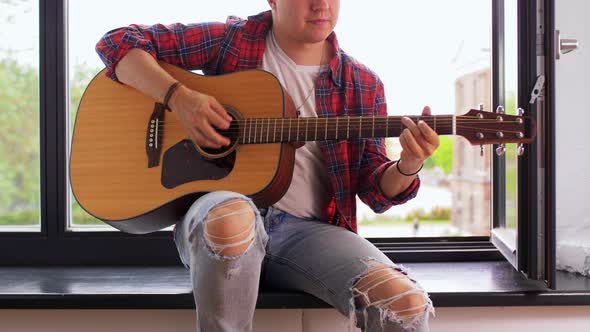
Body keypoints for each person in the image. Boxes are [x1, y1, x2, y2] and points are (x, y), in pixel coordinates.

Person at [96, 1, 439, 331]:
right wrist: (180, 98)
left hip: (308, 234)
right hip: (220, 214)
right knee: (233, 217)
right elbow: (117, 42)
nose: (321, 5)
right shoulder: (232, 41)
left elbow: (375, 191)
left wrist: (408, 164)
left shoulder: (362, 83)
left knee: (404, 304)